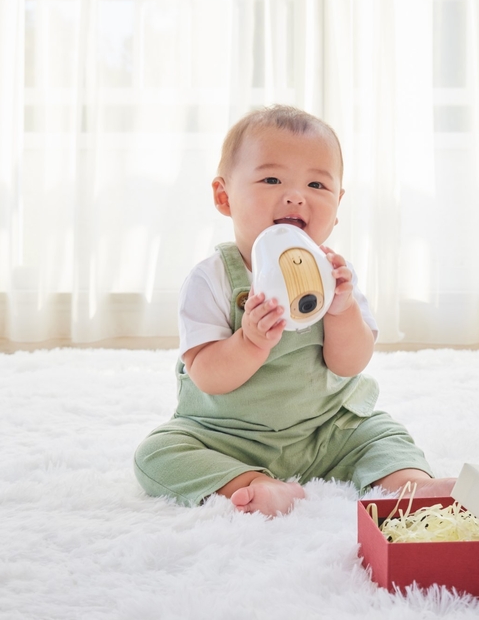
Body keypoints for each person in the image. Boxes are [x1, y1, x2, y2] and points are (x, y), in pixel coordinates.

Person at [133, 105, 454, 516]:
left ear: (338, 204)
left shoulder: (336, 277)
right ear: (223, 195)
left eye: (317, 185)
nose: (296, 195)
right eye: (271, 179)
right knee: (158, 452)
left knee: (380, 432)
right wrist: (248, 342)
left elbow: (350, 363)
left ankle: (412, 485)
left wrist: (342, 311)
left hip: (327, 431)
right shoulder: (211, 279)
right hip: (229, 436)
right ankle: (252, 482)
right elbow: (207, 376)